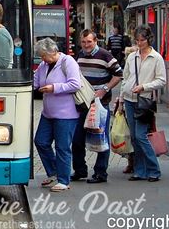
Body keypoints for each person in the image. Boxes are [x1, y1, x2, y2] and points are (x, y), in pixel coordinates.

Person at [71, 29, 123, 184]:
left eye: (89, 42)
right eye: (84, 42)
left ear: (95, 41)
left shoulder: (105, 55)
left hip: (100, 104)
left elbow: (119, 74)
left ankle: (101, 173)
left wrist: (104, 89)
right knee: (76, 139)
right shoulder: (79, 55)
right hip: (82, 105)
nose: (86, 45)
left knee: (101, 139)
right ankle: (80, 170)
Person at [33, 37, 83, 192]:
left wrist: (54, 87)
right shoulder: (43, 65)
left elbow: (75, 84)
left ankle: (63, 180)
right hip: (48, 113)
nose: (42, 59)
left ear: (53, 52)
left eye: (43, 55)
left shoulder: (68, 62)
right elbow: (35, 82)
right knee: (40, 141)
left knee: (62, 147)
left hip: (66, 114)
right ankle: (54, 172)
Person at [118, 25, 166, 182]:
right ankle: (140, 170)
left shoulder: (156, 57)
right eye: (137, 40)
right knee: (134, 137)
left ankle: (154, 169)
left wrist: (144, 87)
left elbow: (161, 80)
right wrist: (120, 100)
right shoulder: (132, 57)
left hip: (144, 101)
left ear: (149, 39)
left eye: (142, 40)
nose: (139, 43)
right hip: (129, 99)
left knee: (141, 136)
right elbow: (125, 78)